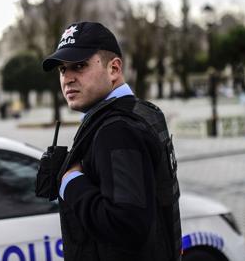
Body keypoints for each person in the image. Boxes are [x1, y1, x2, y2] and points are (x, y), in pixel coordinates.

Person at [41, 22, 181, 261]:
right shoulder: (141, 111)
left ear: (114, 69)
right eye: (63, 70)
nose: (68, 79)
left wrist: (71, 182)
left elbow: (127, 224)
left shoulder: (116, 129)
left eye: (80, 66)